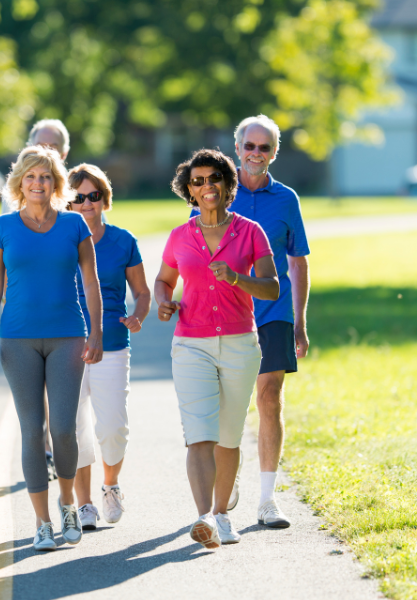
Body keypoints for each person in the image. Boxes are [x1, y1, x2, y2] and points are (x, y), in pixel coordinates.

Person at [0, 145, 104, 551]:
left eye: (46, 176)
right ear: (19, 182)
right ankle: (41, 521)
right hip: (17, 340)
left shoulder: (74, 226)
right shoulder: (3, 227)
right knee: (33, 431)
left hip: (68, 335)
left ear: (56, 183)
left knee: (64, 430)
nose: (38, 183)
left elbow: (91, 282)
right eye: (31, 176)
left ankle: (68, 502)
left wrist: (97, 332)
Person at [189, 115, 311, 528]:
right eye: (250, 146)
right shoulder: (216, 191)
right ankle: (229, 475)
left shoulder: (287, 199)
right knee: (229, 405)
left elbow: (297, 262)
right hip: (226, 315)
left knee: (270, 397)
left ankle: (267, 498)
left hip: (273, 313)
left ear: (274, 152)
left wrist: (300, 320)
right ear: (237, 149)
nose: (256, 154)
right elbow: (192, 250)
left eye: (265, 147)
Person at [157, 148, 279, 549]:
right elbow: (163, 280)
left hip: (241, 345)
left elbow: (272, 287)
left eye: (214, 179)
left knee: (229, 436)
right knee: (199, 435)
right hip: (191, 343)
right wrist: (164, 301)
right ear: (188, 191)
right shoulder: (179, 236)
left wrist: (237, 278)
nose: (207, 186)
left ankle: (224, 515)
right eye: (198, 181)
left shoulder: (250, 232)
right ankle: (204, 517)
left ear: (228, 185)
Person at [66, 164, 151, 530]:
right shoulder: (58, 238)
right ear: (67, 204)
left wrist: (138, 315)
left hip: (113, 343)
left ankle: (111, 484)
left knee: (113, 426)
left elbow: (143, 292)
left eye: (93, 196)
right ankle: (84, 504)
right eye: (78, 198)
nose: (86, 203)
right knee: (73, 426)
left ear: (105, 199)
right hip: (65, 345)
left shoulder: (123, 241)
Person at [1, 118, 73, 483]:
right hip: (26, 320)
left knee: (66, 415)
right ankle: (44, 453)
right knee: (35, 416)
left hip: (67, 318)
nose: (44, 155)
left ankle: (72, 479)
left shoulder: (75, 199)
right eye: (38, 145)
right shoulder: (14, 202)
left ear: (63, 154)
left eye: (52, 148)